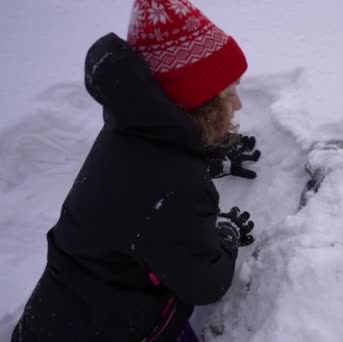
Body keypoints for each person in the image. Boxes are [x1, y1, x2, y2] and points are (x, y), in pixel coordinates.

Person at [11, 0, 258, 341]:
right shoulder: (177, 191)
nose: (239, 104)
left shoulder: (128, 130)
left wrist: (210, 155)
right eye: (228, 93)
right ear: (199, 104)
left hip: (59, 317)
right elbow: (206, 282)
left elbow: (143, 178)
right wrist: (226, 236)